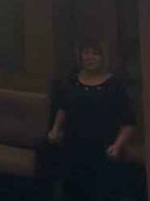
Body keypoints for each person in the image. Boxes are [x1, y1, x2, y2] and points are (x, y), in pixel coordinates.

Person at [48, 39, 136, 201]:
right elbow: (63, 108)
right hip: (72, 149)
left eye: (95, 53)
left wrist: (117, 146)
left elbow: (128, 123)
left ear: (103, 58)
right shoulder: (73, 80)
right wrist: (55, 130)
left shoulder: (114, 85)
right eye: (86, 53)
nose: (90, 57)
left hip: (102, 152)